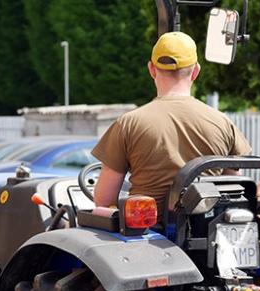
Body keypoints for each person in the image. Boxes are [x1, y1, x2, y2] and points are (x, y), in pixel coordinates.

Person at [92, 31, 251, 212]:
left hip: (144, 233)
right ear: (195, 72)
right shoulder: (223, 124)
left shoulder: (128, 124)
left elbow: (104, 200)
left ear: (152, 69)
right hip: (205, 232)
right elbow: (232, 191)